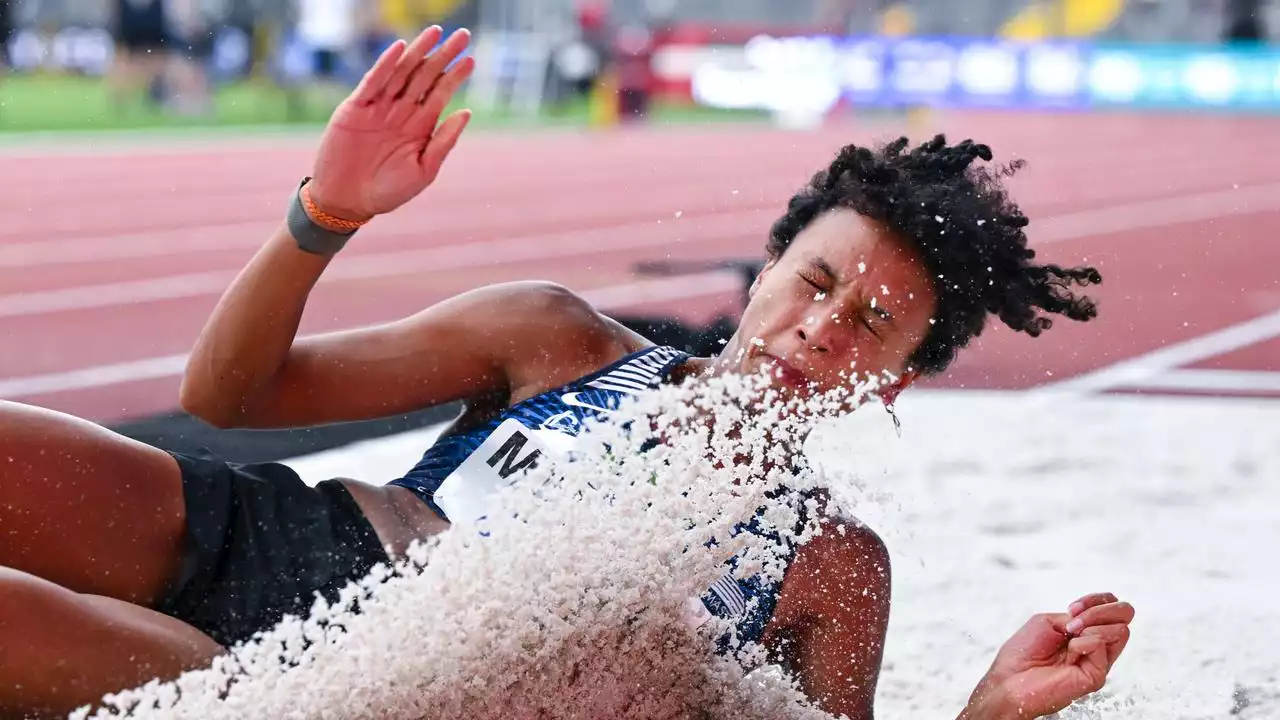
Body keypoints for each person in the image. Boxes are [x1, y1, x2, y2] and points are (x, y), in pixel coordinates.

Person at [0, 25, 1133, 720]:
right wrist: (325, 214)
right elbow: (226, 397)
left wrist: (987, 714)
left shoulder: (832, 566)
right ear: (760, 274)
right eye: (814, 280)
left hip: (343, 688)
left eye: (873, 326)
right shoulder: (557, 338)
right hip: (292, 538)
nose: (822, 328)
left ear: (888, 383)